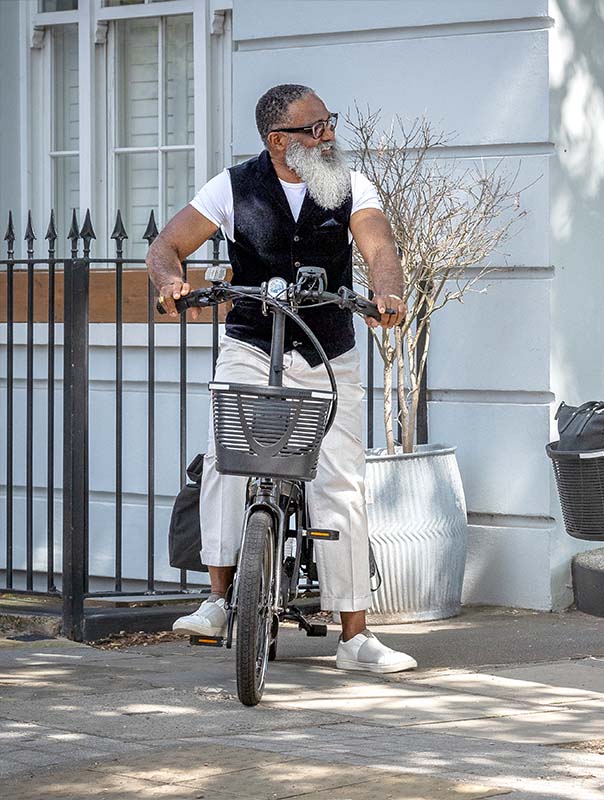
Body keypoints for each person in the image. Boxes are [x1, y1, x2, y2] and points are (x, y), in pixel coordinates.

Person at [150, 83, 416, 673]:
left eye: (329, 123)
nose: (329, 136)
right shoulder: (233, 186)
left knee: (339, 481)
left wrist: (387, 289)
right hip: (250, 341)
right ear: (279, 142)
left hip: (326, 351)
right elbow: (166, 246)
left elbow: (379, 245)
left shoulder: (350, 185)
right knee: (226, 460)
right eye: (315, 128)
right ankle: (218, 600)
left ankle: (355, 638)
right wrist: (170, 280)